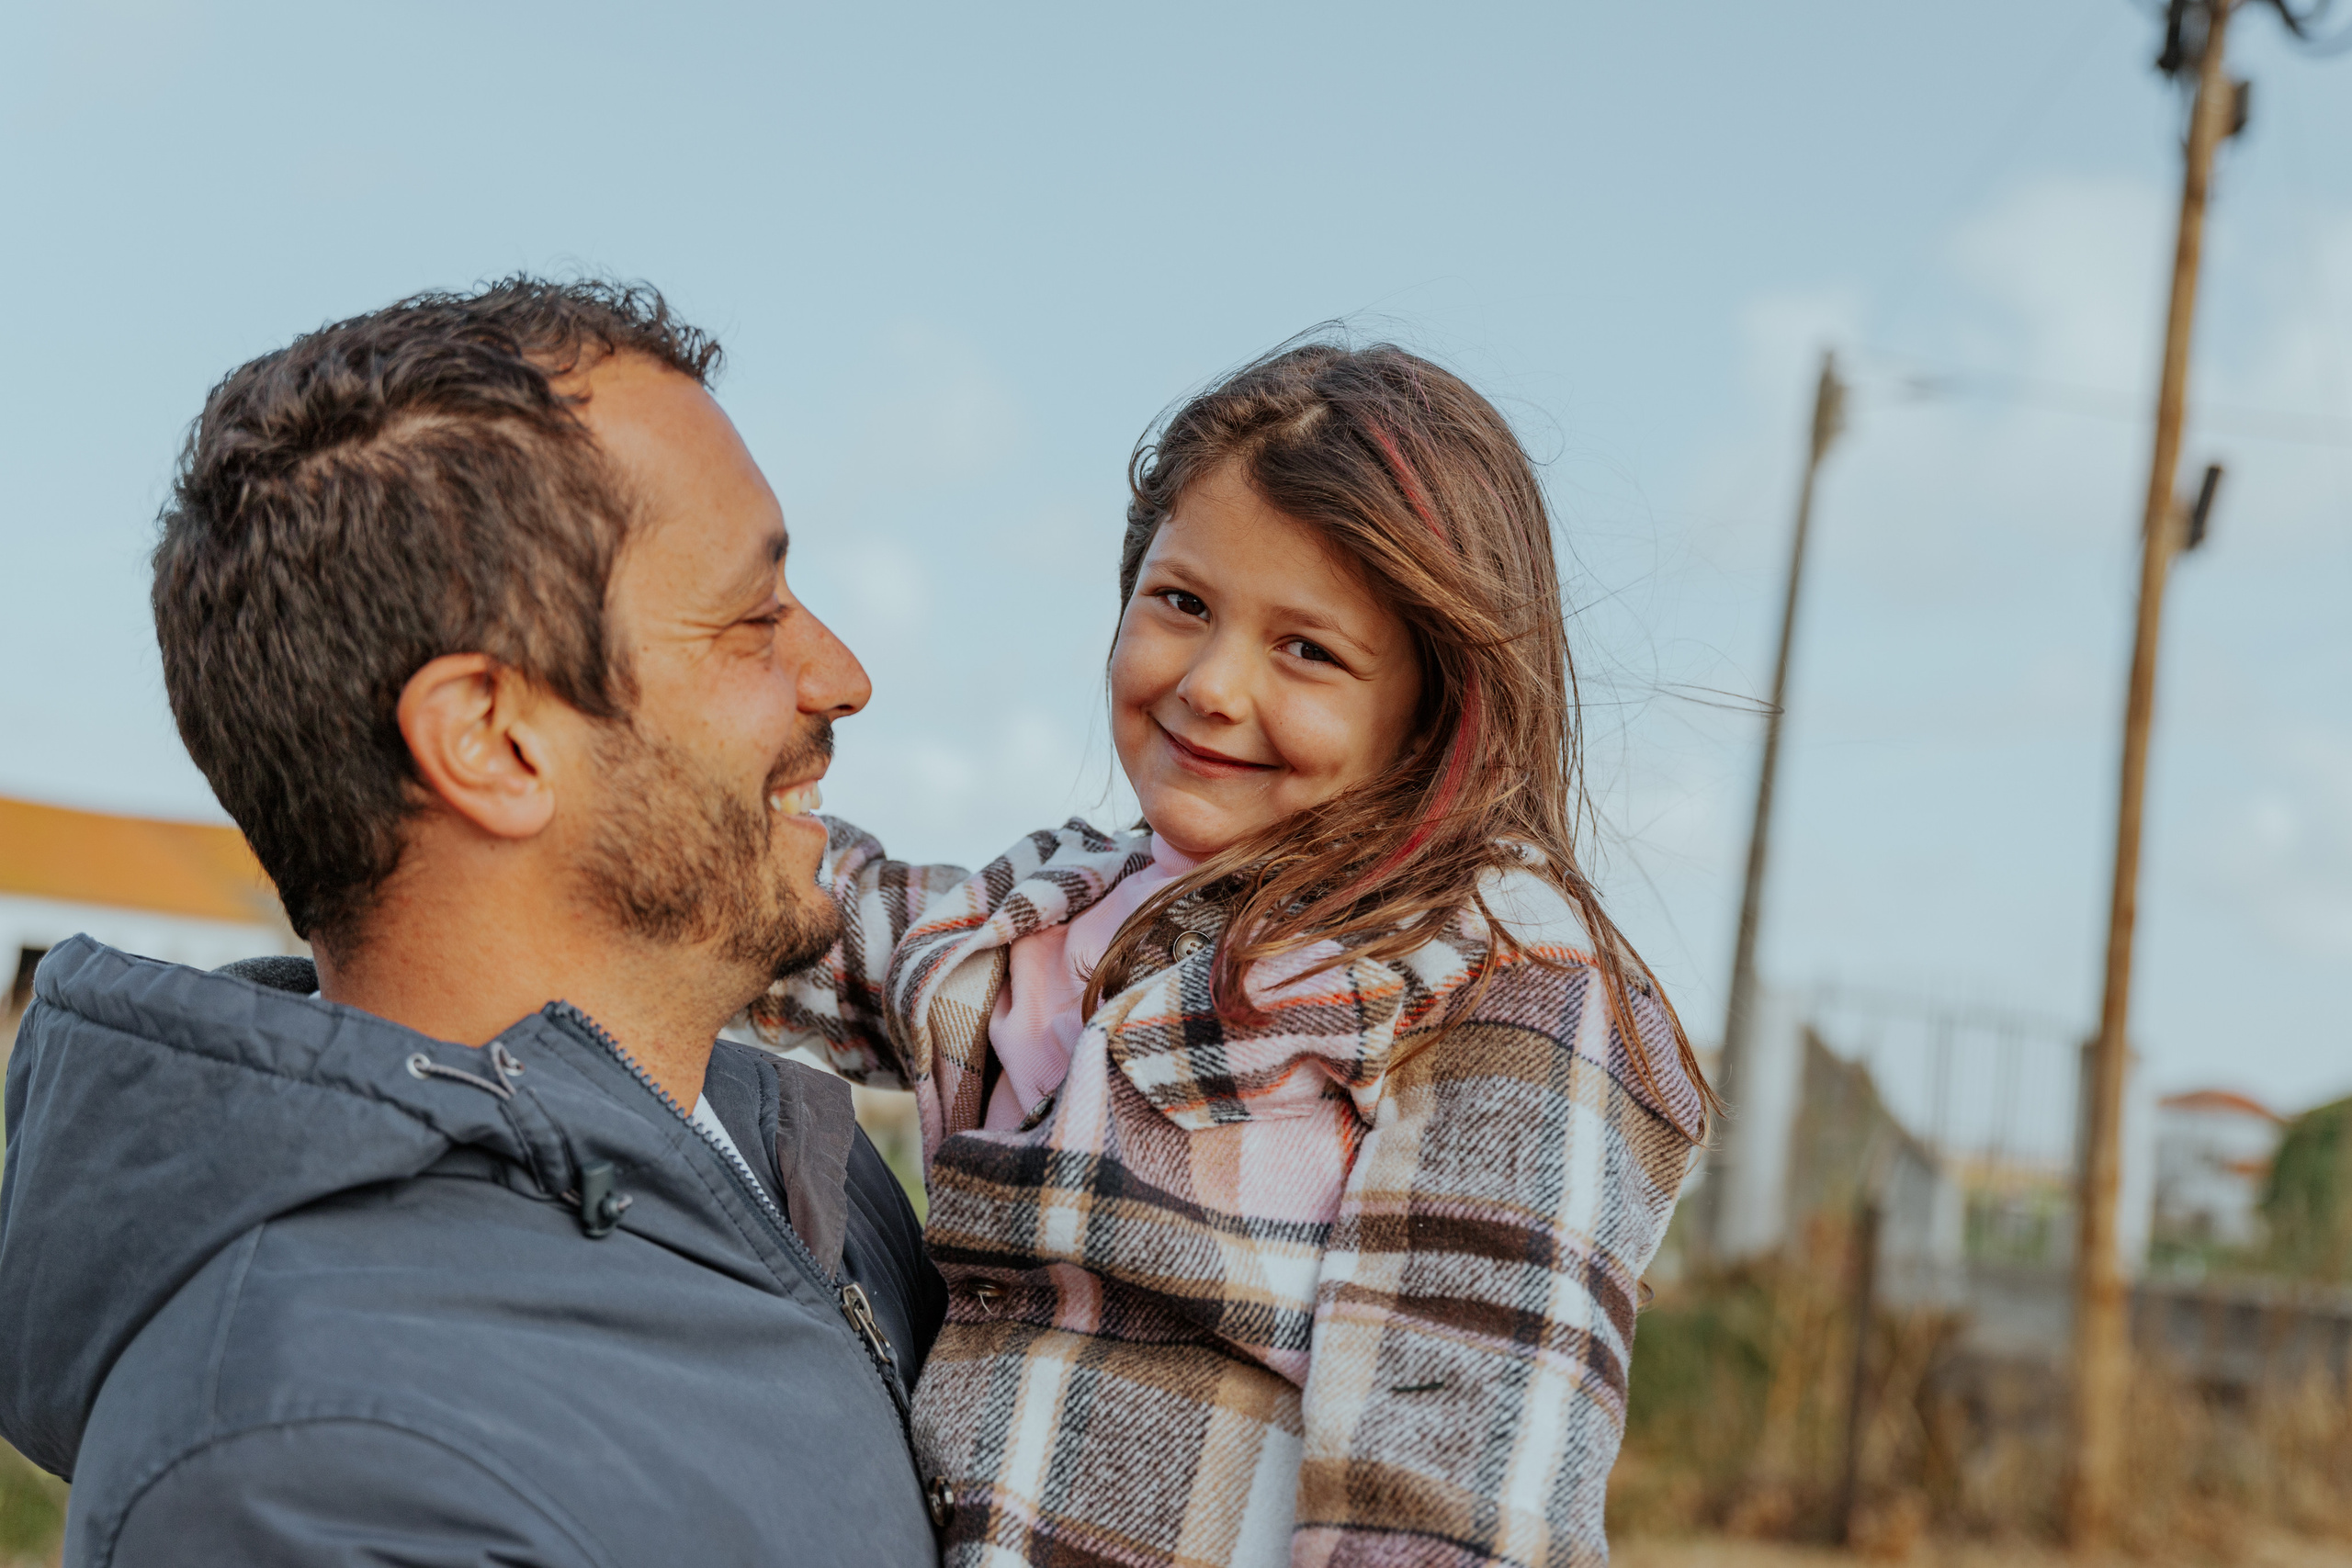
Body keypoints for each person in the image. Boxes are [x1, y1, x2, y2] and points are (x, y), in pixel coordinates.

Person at [0, 278, 949, 1565]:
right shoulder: (303, 1473)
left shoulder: (796, 1167)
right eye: (752, 619)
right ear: (494, 741)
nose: (841, 675)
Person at [754, 340, 1716, 1566]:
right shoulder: (1066, 903)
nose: (1211, 684)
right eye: (1182, 604)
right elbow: (812, 923)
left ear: (1436, 701)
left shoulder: (1496, 976)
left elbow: (1456, 1483)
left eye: (1307, 650)